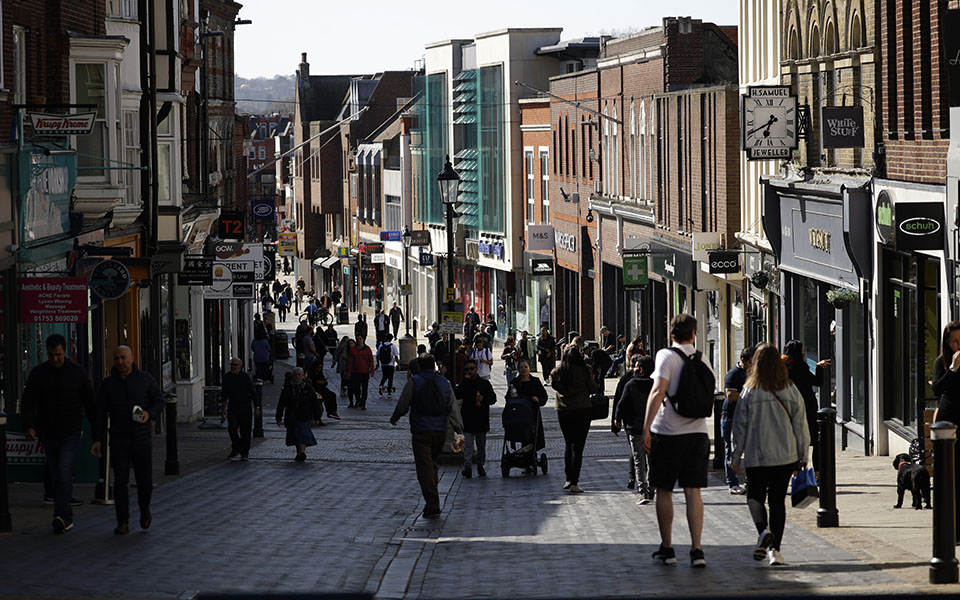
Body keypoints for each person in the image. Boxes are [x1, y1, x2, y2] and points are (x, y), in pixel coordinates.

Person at [641, 313, 715, 567]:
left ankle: (668, 548)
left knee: (664, 490)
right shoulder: (702, 358)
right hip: (698, 434)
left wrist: (646, 427)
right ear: (693, 334)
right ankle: (697, 550)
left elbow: (658, 390)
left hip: (668, 433)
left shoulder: (666, 356)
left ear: (671, 333)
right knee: (693, 491)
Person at [730, 344, 810, 567]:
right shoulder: (791, 389)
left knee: (755, 496)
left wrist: (735, 457)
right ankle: (775, 551)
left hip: (757, 455)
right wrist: (803, 455)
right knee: (777, 502)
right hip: (785, 456)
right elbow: (801, 426)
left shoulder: (748, 391)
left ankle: (763, 531)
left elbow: (739, 428)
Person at [21, 334, 95, 533]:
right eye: (52, 355)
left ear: (66, 352)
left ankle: (62, 515)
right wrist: (29, 425)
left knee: (63, 471)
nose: (55, 359)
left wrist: (96, 432)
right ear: (47, 353)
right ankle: (63, 514)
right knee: (57, 474)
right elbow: (28, 402)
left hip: (71, 431)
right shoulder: (39, 374)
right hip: (49, 432)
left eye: (59, 355)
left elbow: (90, 402)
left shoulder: (77, 373)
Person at [91, 346, 164, 535]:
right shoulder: (108, 384)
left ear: (132, 359)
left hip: (141, 439)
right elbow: (99, 413)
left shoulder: (145, 380)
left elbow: (158, 400)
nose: (120, 362)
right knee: (120, 482)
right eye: (116, 358)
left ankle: (144, 508)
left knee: (145, 482)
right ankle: (122, 521)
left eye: (123, 358)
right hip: (119, 440)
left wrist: (150, 414)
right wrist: (97, 439)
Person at [390, 355, 464, 518]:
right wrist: (459, 428)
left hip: (421, 431)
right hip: (440, 432)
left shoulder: (413, 382)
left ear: (420, 367)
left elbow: (403, 404)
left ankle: (432, 504)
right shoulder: (445, 383)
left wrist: (395, 417)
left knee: (424, 468)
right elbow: (452, 408)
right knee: (432, 464)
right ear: (434, 367)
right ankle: (433, 498)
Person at [550, 346, 598, 494]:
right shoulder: (584, 371)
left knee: (568, 444)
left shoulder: (557, 371)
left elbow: (554, 386)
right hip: (582, 409)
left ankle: (568, 478)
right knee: (578, 447)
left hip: (564, 410)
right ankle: (575, 482)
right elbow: (593, 389)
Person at [782, 340, 829, 476]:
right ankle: (817, 473)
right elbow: (817, 382)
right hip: (807, 406)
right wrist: (819, 367)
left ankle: (796, 472)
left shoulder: (784, 367)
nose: (804, 351)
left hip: (790, 406)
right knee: (815, 440)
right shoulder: (800, 367)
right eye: (802, 349)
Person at [932, 320, 960, 544]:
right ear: (947, 342)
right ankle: (954, 530)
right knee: (952, 475)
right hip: (949, 420)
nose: (958, 344)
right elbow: (937, 389)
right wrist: (952, 369)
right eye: (954, 341)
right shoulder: (942, 362)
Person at [614, 356, 656, 505]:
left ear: (642, 369)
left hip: (635, 428)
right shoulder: (655, 385)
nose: (634, 368)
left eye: (637, 366)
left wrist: (617, 421)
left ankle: (642, 490)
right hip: (653, 429)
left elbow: (622, 405)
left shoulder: (631, 384)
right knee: (652, 460)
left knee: (639, 460)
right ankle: (651, 488)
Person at [722, 346, 757, 495]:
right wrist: (749, 393)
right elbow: (730, 395)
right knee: (730, 450)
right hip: (730, 417)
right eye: (751, 362)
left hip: (747, 416)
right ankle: (733, 483)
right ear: (743, 360)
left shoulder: (752, 373)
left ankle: (751, 482)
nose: (753, 365)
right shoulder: (733, 374)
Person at [455, 358, 497, 478]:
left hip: (481, 419)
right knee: (467, 444)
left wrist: (483, 399)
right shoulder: (464, 383)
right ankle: (468, 467)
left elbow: (493, 399)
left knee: (481, 445)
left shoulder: (484, 384)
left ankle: (480, 465)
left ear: (476, 369)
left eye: (472, 369)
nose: (469, 371)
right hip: (467, 418)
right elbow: (457, 394)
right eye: (467, 369)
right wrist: (464, 383)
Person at [276, 368, 319, 461]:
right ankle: (299, 453)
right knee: (295, 435)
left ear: (303, 376)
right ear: (292, 376)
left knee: (303, 433)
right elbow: (281, 403)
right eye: (295, 375)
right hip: (292, 415)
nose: (297, 377)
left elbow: (315, 402)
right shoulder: (287, 388)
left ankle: (302, 452)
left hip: (305, 415)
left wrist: (317, 417)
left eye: (299, 375)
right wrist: (278, 417)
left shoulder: (308, 387)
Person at [221, 357, 259, 460]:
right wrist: (223, 409)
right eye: (232, 364)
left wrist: (256, 407)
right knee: (232, 428)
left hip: (245, 408)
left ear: (240, 366)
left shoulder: (245, 377)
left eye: (235, 365)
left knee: (245, 432)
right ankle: (236, 446)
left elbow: (253, 392)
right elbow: (224, 394)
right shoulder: (227, 377)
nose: (233, 367)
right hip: (233, 407)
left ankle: (244, 453)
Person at [507, 359, 548, 455]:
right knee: (523, 435)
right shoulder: (515, 382)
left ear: (529, 368)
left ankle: (531, 456)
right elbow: (507, 397)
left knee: (533, 435)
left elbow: (544, 396)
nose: (524, 369)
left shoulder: (535, 381)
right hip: (519, 414)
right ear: (518, 369)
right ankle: (524, 455)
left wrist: (538, 400)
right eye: (521, 367)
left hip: (533, 413)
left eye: (526, 367)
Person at [347, 335, 375, 410]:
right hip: (355, 372)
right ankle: (358, 400)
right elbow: (350, 362)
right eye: (357, 339)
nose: (359, 340)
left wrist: (372, 370)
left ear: (363, 339)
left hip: (365, 372)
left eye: (360, 339)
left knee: (364, 389)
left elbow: (371, 360)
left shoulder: (367, 349)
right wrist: (349, 373)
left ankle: (363, 404)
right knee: (356, 388)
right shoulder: (353, 350)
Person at [335, 337, 355, 403]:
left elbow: (336, 354)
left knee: (343, 378)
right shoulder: (347, 348)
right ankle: (345, 389)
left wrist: (334, 362)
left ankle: (343, 389)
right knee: (346, 378)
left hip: (342, 365)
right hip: (345, 365)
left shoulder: (341, 347)